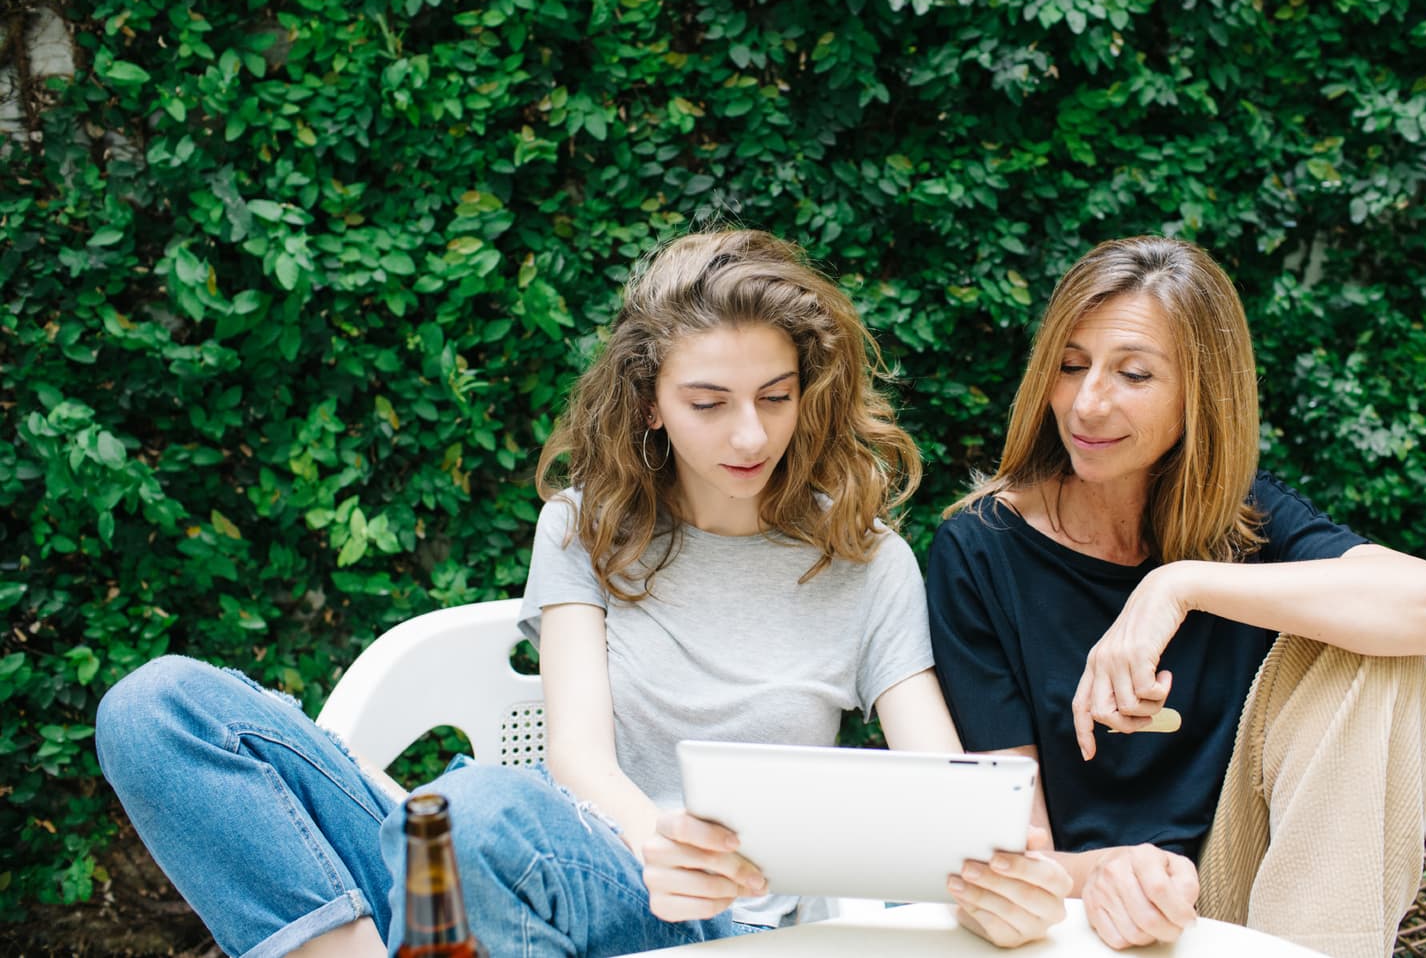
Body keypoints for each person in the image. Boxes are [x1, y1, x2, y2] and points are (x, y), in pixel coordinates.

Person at [96, 229, 1071, 958]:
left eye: (775, 396)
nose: (750, 434)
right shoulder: (584, 526)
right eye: (709, 402)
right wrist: (656, 838)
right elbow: (577, 757)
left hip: (715, 920)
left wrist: (994, 872)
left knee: (470, 815)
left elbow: (935, 781)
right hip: (576, 859)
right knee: (158, 707)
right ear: (650, 403)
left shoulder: (865, 559)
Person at [924, 235, 1426, 958]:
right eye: (1070, 366)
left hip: (1250, 899)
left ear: (1201, 393)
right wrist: (1111, 872)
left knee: (1375, 654)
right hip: (1080, 910)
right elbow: (1012, 852)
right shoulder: (982, 548)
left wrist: (1178, 585)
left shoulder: (1250, 522)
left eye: (1133, 374)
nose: (1087, 404)